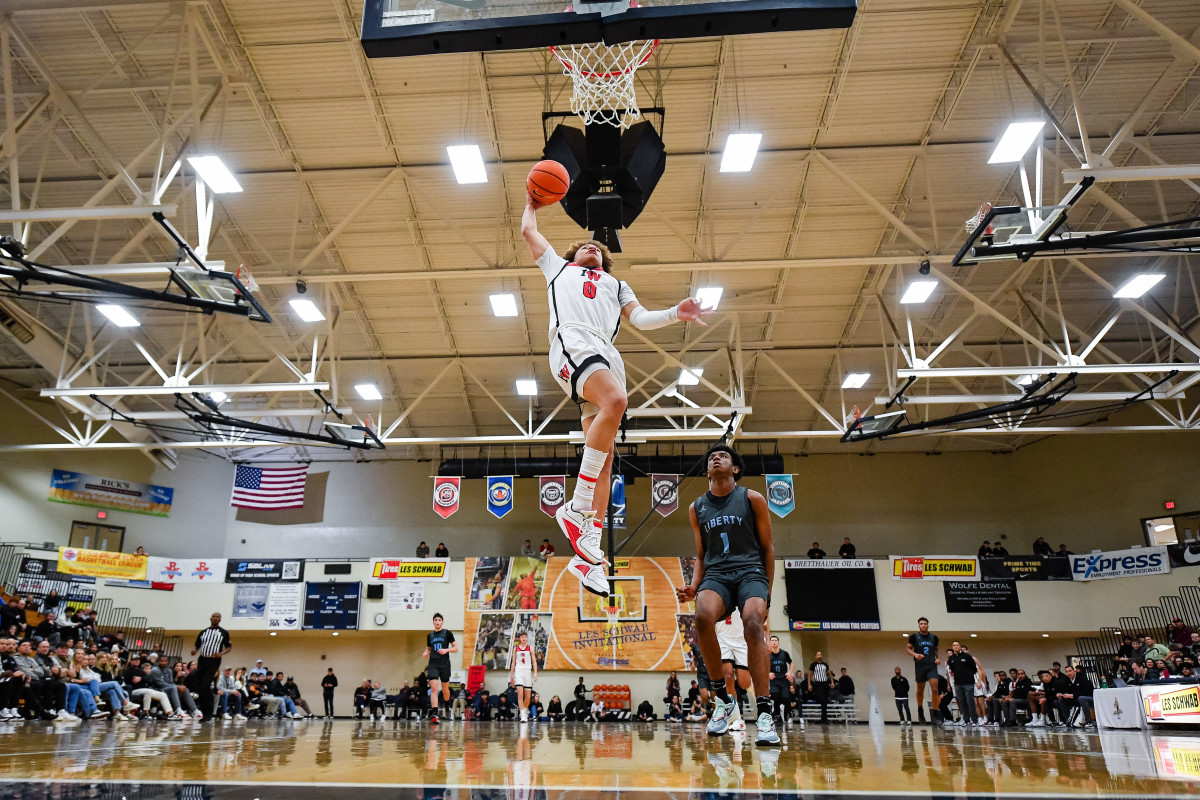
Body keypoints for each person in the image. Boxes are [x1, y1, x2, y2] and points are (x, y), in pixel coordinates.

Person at [522, 197, 710, 596]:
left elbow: (640, 318)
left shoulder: (616, 284)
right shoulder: (558, 267)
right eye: (585, 246)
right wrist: (530, 202)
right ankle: (575, 509)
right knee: (616, 403)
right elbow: (529, 232)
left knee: (605, 460)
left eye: (597, 249)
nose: (591, 247)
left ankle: (588, 554)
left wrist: (677, 311)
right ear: (574, 255)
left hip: (607, 354)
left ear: (605, 263)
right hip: (572, 342)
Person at [674, 444, 779, 746]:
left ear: (735, 469)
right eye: (711, 458)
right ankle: (723, 699)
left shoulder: (752, 499)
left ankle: (764, 714)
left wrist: (767, 595)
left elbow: (768, 549)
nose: (715, 458)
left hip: (750, 571)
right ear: (707, 471)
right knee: (702, 617)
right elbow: (701, 554)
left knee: (752, 623)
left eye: (722, 456)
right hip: (717, 574)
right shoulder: (697, 508)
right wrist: (694, 585)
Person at [191, 611, 231, 719]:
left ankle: (209, 713)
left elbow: (228, 647)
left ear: (220, 620)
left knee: (205, 685)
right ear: (210, 618)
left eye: (218, 617)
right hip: (202, 660)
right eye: (214, 616)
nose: (215, 618)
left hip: (214, 661)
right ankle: (205, 712)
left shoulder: (223, 632)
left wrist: (221, 653)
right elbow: (197, 645)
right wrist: (194, 650)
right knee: (201, 688)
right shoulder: (203, 632)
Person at [422, 612, 457, 724]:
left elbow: (456, 648)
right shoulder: (430, 635)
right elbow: (428, 648)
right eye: (436, 620)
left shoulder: (447, 633)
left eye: (439, 620)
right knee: (433, 688)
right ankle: (435, 713)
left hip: (445, 664)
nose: (437, 622)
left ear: (442, 622)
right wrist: (426, 652)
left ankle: (447, 705)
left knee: (445, 689)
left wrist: (446, 650)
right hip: (433, 664)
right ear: (433, 622)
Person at [906, 617, 940, 724]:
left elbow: (936, 649)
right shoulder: (914, 637)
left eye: (925, 623)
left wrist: (938, 658)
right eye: (921, 624)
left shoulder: (934, 637)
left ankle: (935, 714)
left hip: (931, 665)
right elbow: (908, 649)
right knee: (920, 689)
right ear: (919, 625)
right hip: (920, 666)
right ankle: (920, 710)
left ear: (928, 625)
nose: (923, 625)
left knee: (934, 688)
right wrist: (916, 655)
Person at [946, 641, 982, 726]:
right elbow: (953, 670)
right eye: (954, 645)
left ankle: (974, 720)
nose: (956, 647)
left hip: (968, 683)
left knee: (970, 702)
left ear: (960, 646)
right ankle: (966, 720)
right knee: (962, 702)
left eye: (957, 645)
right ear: (952, 647)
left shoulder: (967, 656)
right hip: (958, 683)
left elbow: (973, 669)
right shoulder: (951, 659)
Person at [509, 629, 537, 723]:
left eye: (525, 636)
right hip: (519, 671)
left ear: (527, 638)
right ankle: (522, 715)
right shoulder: (516, 648)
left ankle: (524, 711)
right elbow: (513, 663)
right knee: (520, 694)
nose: (523, 638)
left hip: (527, 671)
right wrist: (511, 675)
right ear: (519, 639)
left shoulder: (530, 648)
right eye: (522, 637)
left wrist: (536, 673)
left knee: (528, 696)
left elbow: (534, 661)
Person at [768, 636, 793, 721]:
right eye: (772, 640)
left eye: (775, 640)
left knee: (785, 697)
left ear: (778, 642)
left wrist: (789, 672)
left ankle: (787, 713)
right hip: (774, 680)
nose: (774, 642)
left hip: (784, 679)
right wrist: (768, 673)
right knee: (775, 695)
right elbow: (762, 667)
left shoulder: (784, 653)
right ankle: (777, 714)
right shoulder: (768, 655)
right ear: (770, 643)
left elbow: (791, 663)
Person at [808, 652, 832, 723]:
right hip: (818, 684)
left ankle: (824, 718)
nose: (819, 656)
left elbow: (829, 673)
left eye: (820, 654)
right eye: (818, 655)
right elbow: (810, 675)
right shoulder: (813, 665)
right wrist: (809, 684)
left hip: (825, 683)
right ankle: (823, 718)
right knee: (822, 700)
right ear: (816, 656)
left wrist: (832, 682)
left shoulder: (825, 664)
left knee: (825, 702)